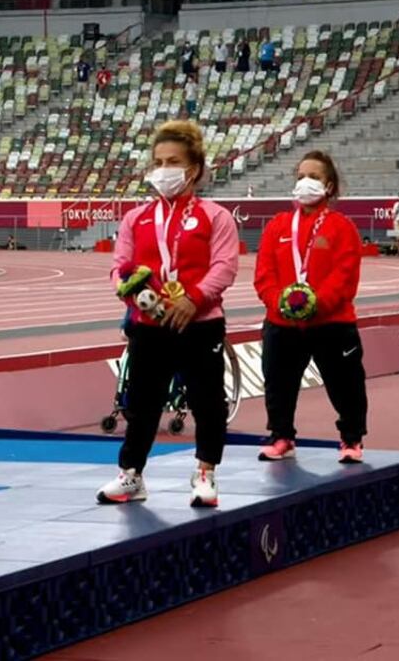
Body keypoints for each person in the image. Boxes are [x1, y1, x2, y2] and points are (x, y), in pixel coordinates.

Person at [100, 120, 240, 508]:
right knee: (141, 403)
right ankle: (131, 475)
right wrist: (134, 297)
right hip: (150, 325)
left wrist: (194, 298)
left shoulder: (215, 216)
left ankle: (206, 473)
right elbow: (120, 267)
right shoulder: (136, 218)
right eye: (158, 162)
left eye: (172, 162)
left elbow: (225, 266)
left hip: (200, 324)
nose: (163, 170)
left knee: (207, 401)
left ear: (192, 168)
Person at [254, 150, 367, 464]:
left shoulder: (341, 227)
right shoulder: (278, 226)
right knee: (278, 382)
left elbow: (344, 277)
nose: (306, 182)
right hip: (282, 322)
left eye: (314, 177)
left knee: (345, 383)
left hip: (331, 322)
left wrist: (315, 304)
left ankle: (351, 438)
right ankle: (281, 436)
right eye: (301, 176)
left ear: (329, 186)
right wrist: (279, 303)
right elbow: (264, 274)